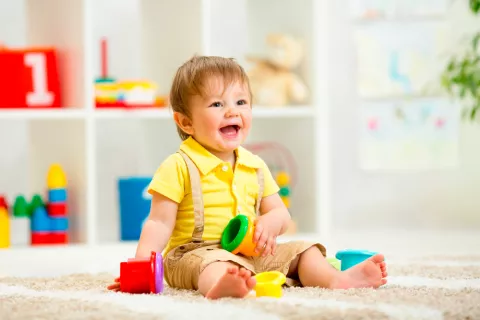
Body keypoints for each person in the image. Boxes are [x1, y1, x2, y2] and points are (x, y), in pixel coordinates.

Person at [108, 56, 387, 299]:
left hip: (249, 254)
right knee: (212, 264)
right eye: (217, 104)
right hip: (193, 254)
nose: (233, 111)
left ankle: (335, 280)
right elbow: (158, 222)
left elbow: (281, 213)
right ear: (186, 122)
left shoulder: (254, 165)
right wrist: (141, 268)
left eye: (241, 101)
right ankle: (223, 284)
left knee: (305, 250)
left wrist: (270, 222)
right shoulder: (179, 165)